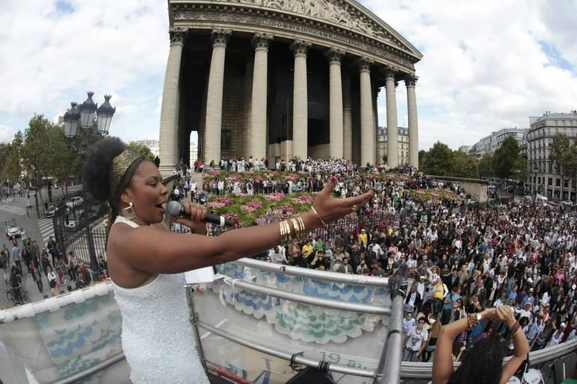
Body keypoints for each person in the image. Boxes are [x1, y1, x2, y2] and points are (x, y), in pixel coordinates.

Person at [82, 137, 371, 384]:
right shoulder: (127, 239)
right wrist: (307, 221)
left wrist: (197, 229)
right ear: (126, 195)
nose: (164, 190)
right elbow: (218, 251)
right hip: (164, 365)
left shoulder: (147, 228)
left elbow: (193, 262)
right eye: (153, 183)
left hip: (175, 348)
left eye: (162, 181)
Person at [432, 305, 530, 384]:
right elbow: (522, 353)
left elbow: (445, 332)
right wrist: (511, 321)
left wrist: (483, 315)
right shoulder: (497, 381)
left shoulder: (443, 381)